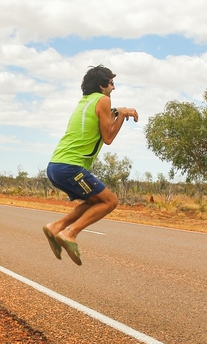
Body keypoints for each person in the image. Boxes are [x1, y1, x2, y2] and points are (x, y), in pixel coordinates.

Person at [42, 65, 138, 265]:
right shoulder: (103, 100)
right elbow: (108, 137)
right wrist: (121, 116)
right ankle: (70, 233)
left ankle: (55, 227)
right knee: (110, 202)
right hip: (71, 167)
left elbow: (104, 112)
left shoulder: (85, 101)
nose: (114, 88)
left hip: (56, 166)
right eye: (112, 83)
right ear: (102, 85)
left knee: (94, 202)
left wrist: (120, 110)